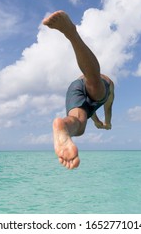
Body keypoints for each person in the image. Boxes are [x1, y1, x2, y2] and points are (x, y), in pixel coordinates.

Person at [42, 10, 115, 170]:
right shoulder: (109, 88)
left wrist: (96, 121)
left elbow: (91, 110)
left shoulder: (91, 105)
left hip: (76, 87)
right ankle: (71, 33)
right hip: (90, 81)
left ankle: (64, 128)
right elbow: (107, 107)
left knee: (79, 124)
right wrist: (107, 123)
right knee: (95, 83)